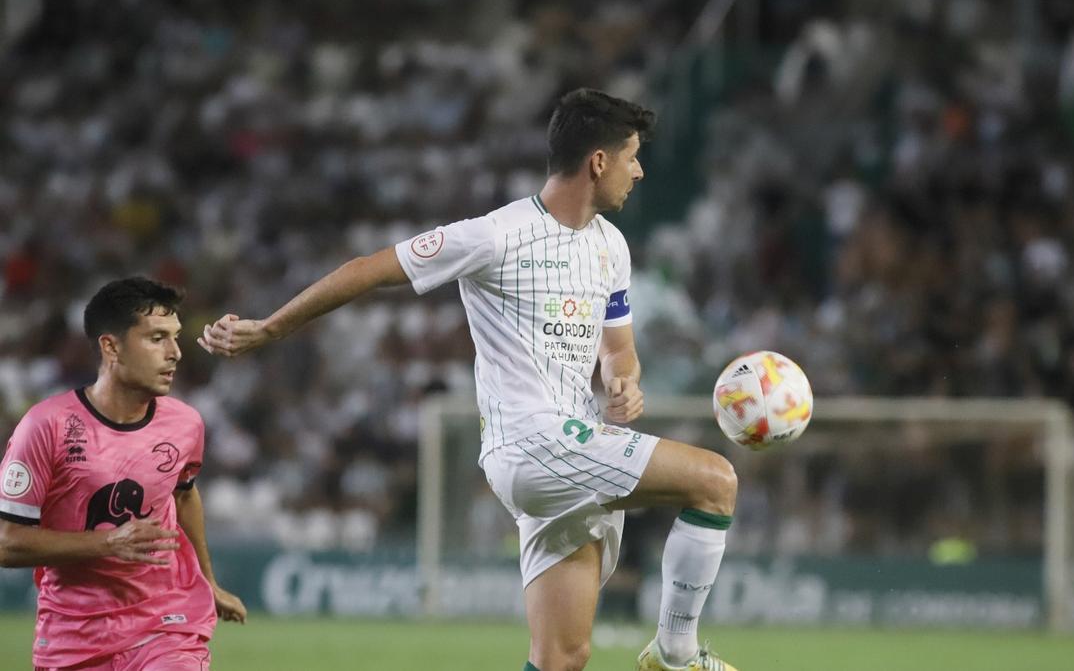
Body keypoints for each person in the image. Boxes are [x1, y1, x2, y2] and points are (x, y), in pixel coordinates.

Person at [199, 88, 738, 671]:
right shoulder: (496, 235)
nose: (640, 169)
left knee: (563, 656)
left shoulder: (611, 246)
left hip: (573, 447)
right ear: (598, 162)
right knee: (714, 480)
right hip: (535, 442)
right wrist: (271, 329)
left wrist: (622, 381)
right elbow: (366, 269)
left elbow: (619, 351)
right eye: (632, 155)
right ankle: (676, 653)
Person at [0, 277, 246, 671]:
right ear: (111, 346)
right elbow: (6, 543)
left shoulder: (186, 424)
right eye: (156, 338)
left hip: (166, 623)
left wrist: (208, 581)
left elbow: (183, 494)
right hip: (74, 635)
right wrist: (108, 543)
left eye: (175, 337)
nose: (175, 353)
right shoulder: (46, 427)